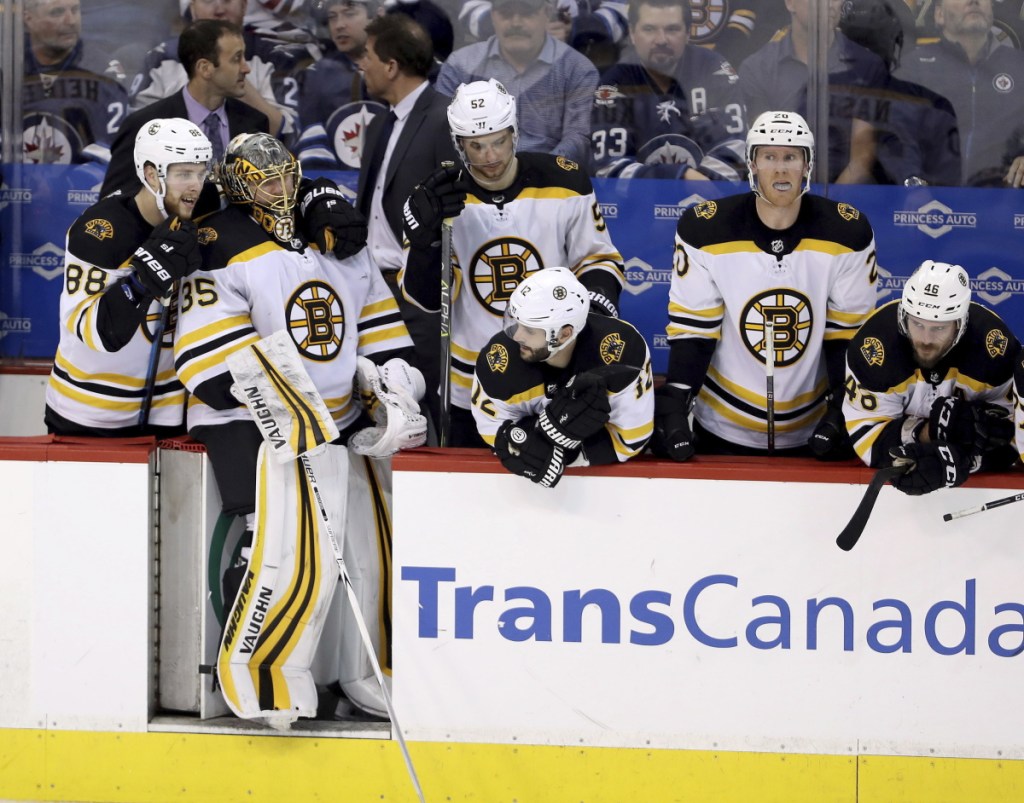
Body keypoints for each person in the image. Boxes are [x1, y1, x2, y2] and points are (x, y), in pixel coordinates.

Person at [400, 78, 625, 447]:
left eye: (498, 141)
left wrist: (594, 306)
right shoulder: (435, 199)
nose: (489, 157)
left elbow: (598, 258)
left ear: (515, 133)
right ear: (459, 144)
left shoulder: (565, 180)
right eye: (476, 145)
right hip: (470, 383)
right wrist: (427, 243)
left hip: (553, 371)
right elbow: (427, 298)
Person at [651, 110, 878, 461]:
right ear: (752, 165)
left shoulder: (846, 233)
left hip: (814, 427)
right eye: (769, 157)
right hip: (722, 423)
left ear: (807, 165)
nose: (781, 168)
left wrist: (842, 407)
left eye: (791, 157)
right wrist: (677, 399)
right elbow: (694, 331)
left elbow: (847, 335)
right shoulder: (705, 230)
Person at [44, 118, 210, 437]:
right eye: (184, 173)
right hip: (89, 413)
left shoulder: (200, 209)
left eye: (201, 173)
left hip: (169, 414)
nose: (196, 185)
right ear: (151, 174)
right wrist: (142, 280)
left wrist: (315, 198)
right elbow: (92, 331)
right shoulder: (100, 232)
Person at [354, 13, 460, 429]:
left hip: (419, 294)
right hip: (372, 290)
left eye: (367, 56)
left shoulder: (443, 118)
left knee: (429, 401)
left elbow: (456, 211)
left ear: (391, 65)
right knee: (375, 405)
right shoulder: (380, 122)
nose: (362, 65)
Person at [845, 260, 1018, 495]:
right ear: (904, 316)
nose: (925, 340)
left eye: (938, 328)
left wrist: (965, 462)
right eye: (917, 324)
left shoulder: (994, 349)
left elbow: (1013, 435)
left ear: (960, 324)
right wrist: (927, 433)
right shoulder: (875, 348)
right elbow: (866, 436)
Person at [471, 268, 654, 487]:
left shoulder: (622, 352)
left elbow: (632, 439)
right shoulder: (499, 362)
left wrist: (567, 456)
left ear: (564, 334)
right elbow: (492, 429)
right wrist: (534, 436)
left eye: (530, 330)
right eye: (517, 322)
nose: (517, 336)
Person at [102, 20, 270, 216]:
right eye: (236, 59)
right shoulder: (145, 126)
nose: (246, 68)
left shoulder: (254, 123)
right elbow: (113, 204)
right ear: (205, 68)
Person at [589, 0, 747, 180]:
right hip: (639, 205)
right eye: (649, 29)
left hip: (710, 202)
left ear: (688, 33)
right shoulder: (614, 85)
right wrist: (680, 178)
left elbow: (735, 147)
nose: (661, 40)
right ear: (632, 33)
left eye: (672, 29)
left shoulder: (713, 72)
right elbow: (607, 167)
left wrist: (703, 190)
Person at [738, 0, 890, 184]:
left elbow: (861, 159)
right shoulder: (757, 68)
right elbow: (765, 151)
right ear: (791, 3)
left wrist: (829, 208)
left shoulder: (867, 66)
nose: (829, 5)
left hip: (846, 197)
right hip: (782, 190)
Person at [436, 0, 599, 166]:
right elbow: (441, 133)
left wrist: (536, 172)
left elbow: (578, 138)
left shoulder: (577, 69)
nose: (516, 23)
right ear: (493, 16)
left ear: (547, 14)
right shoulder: (460, 66)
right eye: (506, 14)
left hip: (550, 181)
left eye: (527, 13)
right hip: (476, 176)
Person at [128, 0, 299, 142]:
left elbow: (287, 135)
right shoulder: (162, 58)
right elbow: (137, 134)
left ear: (244, 5)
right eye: (208, 0)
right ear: (192, 8)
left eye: (227, 0)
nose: (219, 10)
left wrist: (228, 69)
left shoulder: (272, 57)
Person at [897, 0, 1024, 186]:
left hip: (1004, 199)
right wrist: (911, 180)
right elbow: (896, 135)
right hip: (931, 200)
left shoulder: (1020, 67)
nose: (974, 1)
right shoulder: (913, 68)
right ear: (939, 15)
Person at [839, 0, 962, 187]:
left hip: (909, 212)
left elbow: (947, 193)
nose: (866, 54)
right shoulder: (817, 96)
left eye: (876, 39)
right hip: (830, 211)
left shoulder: (931, 106)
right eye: (857, 42)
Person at [21, 0, 130, 165]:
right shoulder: (8, 67)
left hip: (85, 186)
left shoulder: (102, 72)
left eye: (75, 10)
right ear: (29, 19)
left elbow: (113, 154)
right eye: (57, 12)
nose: (71, 21)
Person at [295, 0, 380, 170]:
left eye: (349, 14)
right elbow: (310, 136)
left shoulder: (402, 65)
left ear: (376, 16)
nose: (339, 25)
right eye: (332, 17)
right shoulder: (317, 75)